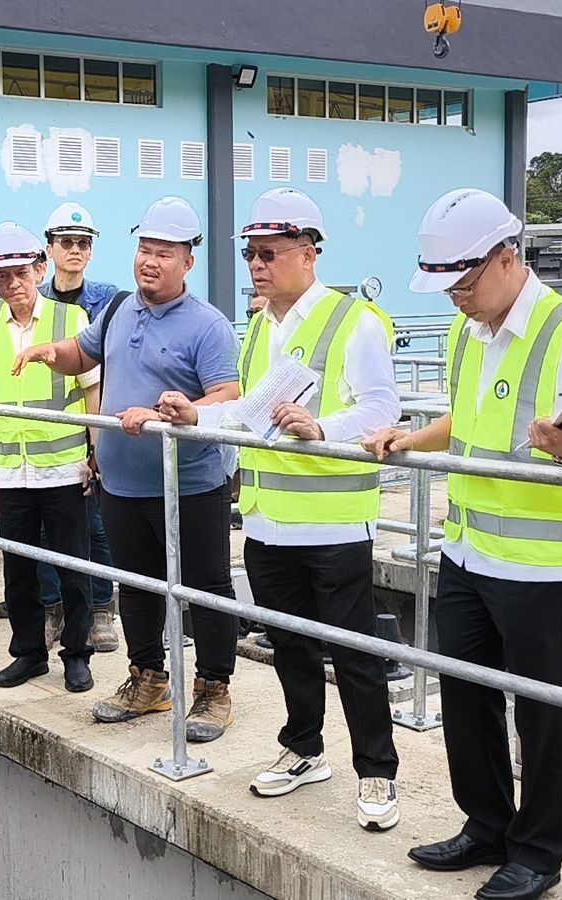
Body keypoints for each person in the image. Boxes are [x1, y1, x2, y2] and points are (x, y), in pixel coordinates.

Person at [363, 188, 562, 900]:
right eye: (446, 287)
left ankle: (538, 851)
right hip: (467, 550)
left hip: (539, 563)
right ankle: (487, 823)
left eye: (464, 283)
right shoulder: (466, 330)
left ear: (507, 258)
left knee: (540, 709)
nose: (457, 298)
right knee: (465, 693)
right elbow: (465, 416)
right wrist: (411, 438)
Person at [157, 187, 402, 830]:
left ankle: (377, 771)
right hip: (267, 522)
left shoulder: (354, 321)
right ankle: (303, 749)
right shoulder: (261, 326)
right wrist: (197, 415)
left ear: (308, 253)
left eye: (268, 254)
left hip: (334, 523)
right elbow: (248, 412)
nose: (256, 266)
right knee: (289, 645)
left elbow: (383, 408)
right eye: (250, 254)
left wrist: (323, 428)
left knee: (353, 653)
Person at [14, 196, 241, 742]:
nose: (150, 262)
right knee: (136, 586)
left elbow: (227, 395)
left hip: (190, 486)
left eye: (164, 253)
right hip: (122, 485)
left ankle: (214, 690)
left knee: (206, 587)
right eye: (145, 250)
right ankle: (149, 680)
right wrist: (50, 351)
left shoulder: (207, 326)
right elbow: (82, 353)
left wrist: (178, 412)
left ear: (187, 261)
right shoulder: (118, 310)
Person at [0, 223, 102, 692]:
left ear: (39, 270)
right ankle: (29, 653)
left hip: (64, 468)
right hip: (10, 472)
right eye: (1, 276)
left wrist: (95, 452)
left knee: (73, 568)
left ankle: (77, 654)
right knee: (18, 570)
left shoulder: (71, 319)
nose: (12, 283)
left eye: (20, 273)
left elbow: (92, 390)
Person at [35, 201, 122, 652]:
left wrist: (97, 444)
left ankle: (102, 608)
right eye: (66, 242)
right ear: (49, 248)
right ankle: (55, 609)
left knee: (96, 526)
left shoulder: (108, 300)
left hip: (92, 427)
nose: (76, 250)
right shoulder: (34, 301)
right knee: (47, 531)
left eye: (83, 243)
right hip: (44, 434)